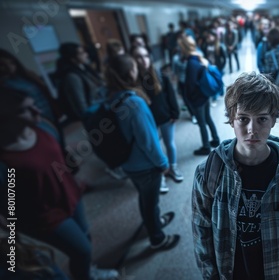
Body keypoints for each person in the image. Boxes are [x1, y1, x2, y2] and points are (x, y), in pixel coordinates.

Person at [192, 72, 279, 279]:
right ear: (231, 119)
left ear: (274, 120)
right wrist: (209, 273)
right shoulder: (208, 173)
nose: (252, 129)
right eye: (243, 118)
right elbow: (200, 227)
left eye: (262, 119)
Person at [0, 91, 119, 280]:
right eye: (25, 110)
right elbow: (10, 201)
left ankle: (87, 271)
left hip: (69, 194)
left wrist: (71, 178)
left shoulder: (43, 127)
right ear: (7, 118)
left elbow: (59, 156)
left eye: (34, 104)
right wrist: (13, 236)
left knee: (84, 236)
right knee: (82, 250)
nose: (36, 110)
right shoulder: (6, 158)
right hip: (45, 214)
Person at [104, 54, 180, 250]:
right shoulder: (134, 103)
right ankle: (157, 238)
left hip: (127, 163)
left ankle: (154, 222)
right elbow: (148, 141)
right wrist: (163, 164)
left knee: (145, 198)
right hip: (145, 165)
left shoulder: (110, 97)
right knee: (150, 202)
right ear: (130, 72)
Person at [131, 45, 184, 189]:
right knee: (156, 148)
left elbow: (171, 96)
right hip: (148, 121)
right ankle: (160, 175)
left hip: (165, 116)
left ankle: (173, 167)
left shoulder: (160, 76)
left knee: (170, 144)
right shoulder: (133, 81)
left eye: (145, 56)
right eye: (138, 57)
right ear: (133, 60)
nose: (143, 60)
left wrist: (175, 112)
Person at [177, 34, 220, 156]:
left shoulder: (191, 63)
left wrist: (188, 99)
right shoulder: (198, 57)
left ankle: (206, 147)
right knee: (208, 118)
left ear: (184, 48)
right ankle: (215, 139)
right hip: (205, 95)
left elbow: (190, 85)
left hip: (197, 99)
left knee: (202, 123)